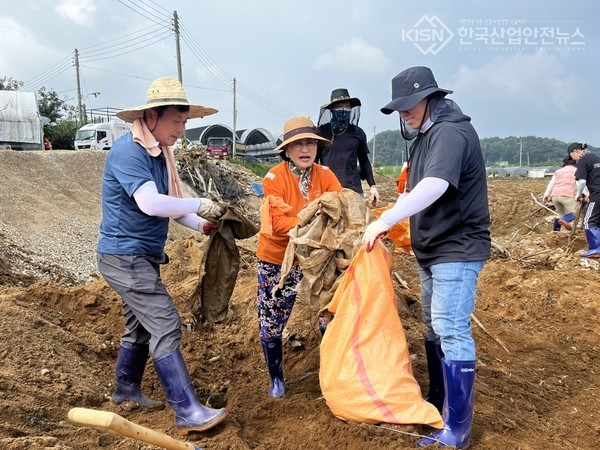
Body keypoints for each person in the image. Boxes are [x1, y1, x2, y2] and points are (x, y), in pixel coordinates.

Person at [362, 66, 491, 449]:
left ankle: (458, 429)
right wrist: (387, 219)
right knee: (434, 327)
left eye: (409, 105)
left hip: (457, 246)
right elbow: (412, 190)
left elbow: (435, 185)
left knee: (451, 328)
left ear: (431, 97)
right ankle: (439, 400)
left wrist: (386, 220)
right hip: (432, 248)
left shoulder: (450, 131)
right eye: (399, 109)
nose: (404, 114)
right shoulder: (426, 135)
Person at [96, 77, 228, 434]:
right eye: (176, 122)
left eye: (184, 123)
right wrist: (200, 202)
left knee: (139, 327)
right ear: (152, 116)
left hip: (139, 256)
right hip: (123, 256)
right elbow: (151, 203)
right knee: (165, 323)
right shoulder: (130, 152)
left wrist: (200, 224)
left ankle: (125, 390)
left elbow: (171, 206)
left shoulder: (159, 153)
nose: (181, 130)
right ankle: (187, 411)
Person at [257, 117, 342, 398]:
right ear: (287, 149)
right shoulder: (274, 179)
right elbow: (279, 224)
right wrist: (315, 221)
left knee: (329, 314)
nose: (305, 149)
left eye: (310, 142)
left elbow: (340, 213)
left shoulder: (326, 176)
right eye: (297, 144)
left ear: (317, 146)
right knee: (272, 317)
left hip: (318, 258)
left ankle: (334, 372)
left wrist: (306, 223)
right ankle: (276, 379)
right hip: (278, 259)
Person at [316, 88, 379, 206]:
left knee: (357, 223)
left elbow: (364, 161)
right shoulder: (322, 132)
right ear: (332, 109)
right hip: (327, 190)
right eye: (340, 106)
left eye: (347, 106)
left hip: (353, 189)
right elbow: (314, 161)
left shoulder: (358, 133)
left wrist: (373, 186)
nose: (344, 109)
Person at [542, 143, 585, 231]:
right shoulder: (576, 170)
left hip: (555, 196)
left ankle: (555, 232)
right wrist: (582, 193)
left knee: (560, 214)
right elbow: (578, 183)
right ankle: (565, 220)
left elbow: (551, 183)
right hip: (566, 195)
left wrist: (546, 194)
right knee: (575, 212)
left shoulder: (558, 171)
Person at [575, 144, 600, 258]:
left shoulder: (582, 160)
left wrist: (579, 194)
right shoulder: (596, 157)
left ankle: (595, 249)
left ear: (575, 151)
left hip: (597, 193)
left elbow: (582, 181)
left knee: (589, 220)